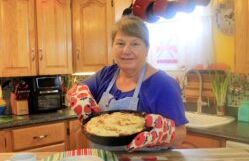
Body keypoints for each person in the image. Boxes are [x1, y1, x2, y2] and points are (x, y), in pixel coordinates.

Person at [67, 15, 187, 152]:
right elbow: (73, 92)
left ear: (147, 49)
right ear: (112, 46)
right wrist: (76, 96)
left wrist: (163, 136)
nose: (126, 51)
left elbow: (180, 134)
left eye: (135, 44)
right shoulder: (105, 74)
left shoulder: (164, 85)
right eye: (120, 43)